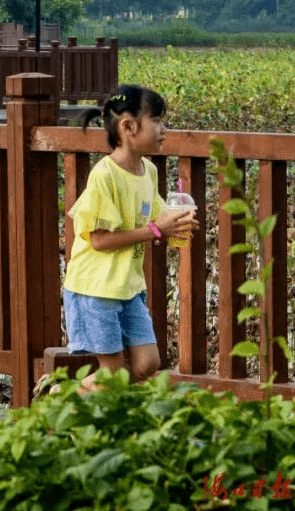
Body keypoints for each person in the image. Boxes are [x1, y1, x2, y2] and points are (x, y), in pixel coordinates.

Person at [64, 85, 197, 393]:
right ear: (128, 126)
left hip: (128, 287)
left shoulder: (148, 171)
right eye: (158, 121)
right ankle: (63, 397)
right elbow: (98, 240)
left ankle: (73, 395)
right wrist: (155, 231)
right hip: (95, 289)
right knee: (111, 374)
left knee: (147, 363)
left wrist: (176, 222)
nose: (164, 130)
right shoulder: (104, 175)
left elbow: (157, 216)